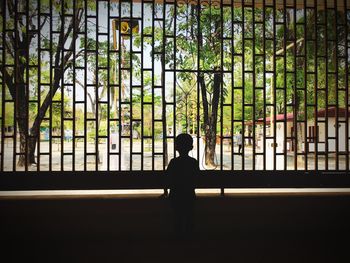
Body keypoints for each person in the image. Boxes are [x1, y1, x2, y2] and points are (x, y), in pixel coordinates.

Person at [166, 133, 199, 239]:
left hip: (175, 195)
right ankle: (190, 238)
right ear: (191, 147)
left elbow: (168, 179)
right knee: (190, 217)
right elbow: (196, 179)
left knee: (177, 218)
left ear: (176, 147)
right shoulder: (193, 162)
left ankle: (178, 238)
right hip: (189, 194)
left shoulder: (174, 162)